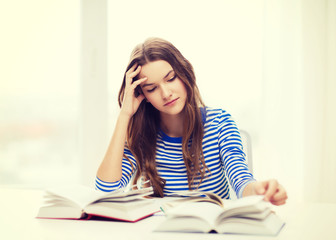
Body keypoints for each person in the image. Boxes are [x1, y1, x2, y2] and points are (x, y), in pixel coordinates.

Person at [96, 37, 287, 206]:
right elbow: (106, 192)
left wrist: (259, 190)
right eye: (152, 88)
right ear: (142, 94)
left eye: (170, 78)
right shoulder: (142, 135)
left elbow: (241, 180)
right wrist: (125, 115)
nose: (166, 93)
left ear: (184, 72)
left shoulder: (220, 123)